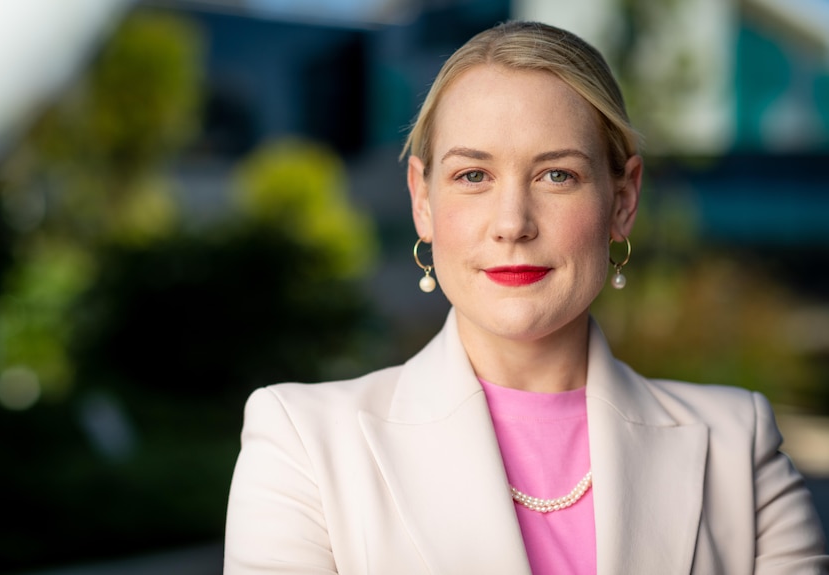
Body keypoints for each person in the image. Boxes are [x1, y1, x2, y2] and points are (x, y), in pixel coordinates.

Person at [224, 21, 828, 574]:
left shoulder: (737, 445)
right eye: (473, 176)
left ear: (622, 201)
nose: (512, 223)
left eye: (556, 175)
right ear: (423, 201)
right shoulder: (302, 443)